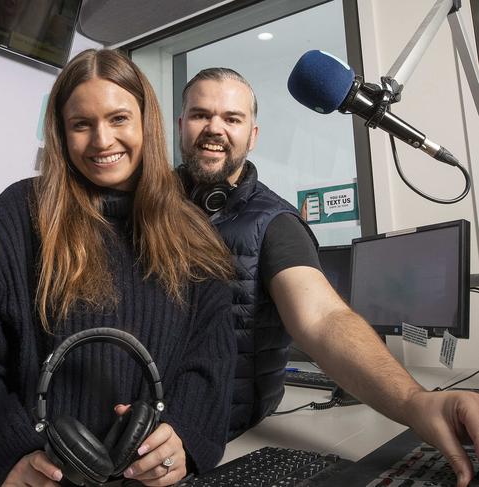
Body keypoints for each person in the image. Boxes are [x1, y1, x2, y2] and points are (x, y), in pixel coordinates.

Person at [0, 50, 237, 487]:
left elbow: (209, 362)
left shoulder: (192, 232)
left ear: (146, 123)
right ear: (63, 135)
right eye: (82, 124)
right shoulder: (19, 213)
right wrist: (6, 459)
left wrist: (184, 439)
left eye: (119, 119)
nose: (102, 140)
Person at [177, 67, 479, 486]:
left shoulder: (275, 222)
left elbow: (321, 318)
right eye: (200, 115)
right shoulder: (148, 208)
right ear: (180, 125)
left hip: (227, 443)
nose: (215, 128)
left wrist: (414, 402)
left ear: (253, 135)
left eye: (232, 118)